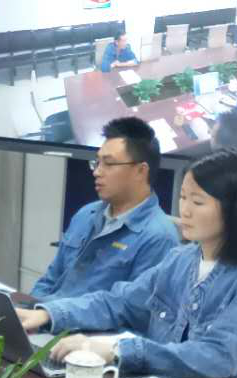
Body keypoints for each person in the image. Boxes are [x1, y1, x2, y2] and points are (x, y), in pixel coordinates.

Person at [19, 149, 237, 378]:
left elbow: (218, 357)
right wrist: (48, 314)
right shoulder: (181, 260)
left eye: (198, 202)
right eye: (183, 197)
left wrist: (117, 349)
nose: (185, 211)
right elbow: (119, 302)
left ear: (235, 209)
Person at [30, 117, 181, 303]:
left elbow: (130, 310)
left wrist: (50, 314)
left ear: (141, 171)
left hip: (77, 322)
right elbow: (51, 278)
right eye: (97, 162)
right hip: (46, 314)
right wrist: (29, 307)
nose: (97, 172)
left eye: (108, 164)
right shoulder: (86, 214)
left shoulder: (159, 237)